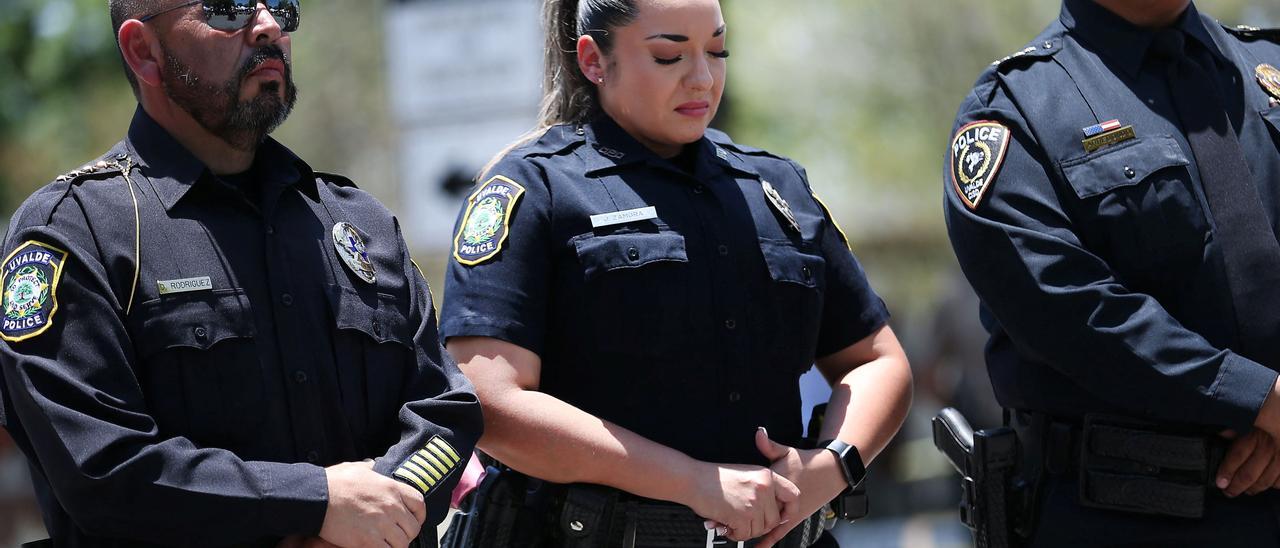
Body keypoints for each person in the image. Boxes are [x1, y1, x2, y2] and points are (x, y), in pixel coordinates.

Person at [0, 1, 482, 546]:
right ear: (144, 51)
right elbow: (102, 468)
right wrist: (315, 503)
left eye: (281, 5)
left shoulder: (358, 221)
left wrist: (380, 510)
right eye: (228, 9)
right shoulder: (74, 232)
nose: (269, 26)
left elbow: (446, 413)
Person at [440, 0, 913, 546]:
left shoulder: (776, 188)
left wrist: (827, 468)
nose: (703, 77)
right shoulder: (534, 188)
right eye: (670, 56)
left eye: (717, 50)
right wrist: (694, 482)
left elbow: (877, 360)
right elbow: (489, 400)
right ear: (594, 60)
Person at [943, 0, 1280, 545]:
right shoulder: (1017, 110)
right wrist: (1260, 399)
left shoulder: (1269, 64)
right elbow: (1069, 311)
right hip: (1127, 514)